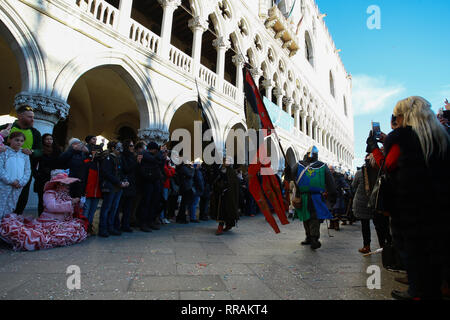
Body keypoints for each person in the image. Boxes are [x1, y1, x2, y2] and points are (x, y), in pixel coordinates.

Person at [366, 96, 450, 300]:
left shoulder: (402, 138)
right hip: (438, 207)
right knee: (436, 254)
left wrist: (375, 148)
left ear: (405, 116)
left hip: (411, 209)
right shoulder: (439, 136)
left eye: (397, 116)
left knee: (415, 254)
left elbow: (388, 165)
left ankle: (418, 292)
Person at [0, 170, 88, 251]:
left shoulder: (65, 195)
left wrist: (79, 202)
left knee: (76, 229)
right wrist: (70, 202)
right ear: (58, 184)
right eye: (65, 184)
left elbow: (72, 208)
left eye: (67, 184)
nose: (67, 186)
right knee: (38, 237)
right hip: (49, 222)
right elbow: (52, 206)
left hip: (62, 222)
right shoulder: (49, 194)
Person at [285, 146, 337, 250]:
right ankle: (310, 237)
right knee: (307, 217)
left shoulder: (321, 166)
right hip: (304, 196)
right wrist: (287, 170)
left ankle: (313, 238)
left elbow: (330, 182)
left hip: (315, 197)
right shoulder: (302, 165)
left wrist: (332, 193)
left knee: (313, 217)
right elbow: (289, 178)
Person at [0, 105, 42, 214]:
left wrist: (32, 152)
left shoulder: (35, 133)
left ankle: (14, 221)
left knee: (21, 198)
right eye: (29, 117)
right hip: (4, 173)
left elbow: (40, 151)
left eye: (33, 117)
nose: (32, 119)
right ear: (20, 116)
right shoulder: (6, 128)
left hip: (23, 173)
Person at [352, 154, 392, 254]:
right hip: (377, 202)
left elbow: (353, 185)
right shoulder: (381, 172)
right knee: (381, 225)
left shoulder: (360, 172)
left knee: (365, 225)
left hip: (362, 202)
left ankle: (367, 246)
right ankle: (385, 246)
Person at [98, 141, 129, 237]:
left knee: (114, 208)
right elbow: (107, 173)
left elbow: (121, 171)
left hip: (118, 187)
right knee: (106, 208)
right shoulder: (107, 158)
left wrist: (125, 180)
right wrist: (119, 182)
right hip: (110, 187)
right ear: (112, 148)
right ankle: (103, 229)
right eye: (118, 148)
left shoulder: (118, 158)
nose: (121, 150)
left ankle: (110, 227)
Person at [0, 132, 31, 219]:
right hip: (4, 184)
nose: (19, 142)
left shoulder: (24, 155)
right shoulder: (4, 151)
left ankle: (6, 226)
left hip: (18, 185)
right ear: (10, 140)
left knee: (11, 205)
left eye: (21, 141)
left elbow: (27, 170)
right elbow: (0, 169)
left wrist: (21, 182)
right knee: (1, 203)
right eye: (16, 140)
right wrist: (10, 181)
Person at [137, 141, 164, 231]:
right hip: (147, 181)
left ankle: (150, 221)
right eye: (156, 150)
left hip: (155, 181)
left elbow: (160, 164)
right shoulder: (145, 154)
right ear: (153, 149)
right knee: (146, 202)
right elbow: (154, 160)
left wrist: (163, 157)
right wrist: (160, 153)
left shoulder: (155, 156)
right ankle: (143, 223)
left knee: (154, 202)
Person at [210, 157, 240, 235]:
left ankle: (228, 225)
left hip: (229, 196)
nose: (225, 162)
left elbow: (234, 184)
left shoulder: (232, 172)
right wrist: (219, 187)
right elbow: (216, 180)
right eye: (225, 161)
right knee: (221, 212)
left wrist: (227, 187)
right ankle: (220, 227)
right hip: (222, 196)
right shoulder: (221, 170)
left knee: (229, 211)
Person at [34, 134, 62, 215]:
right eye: (47, 139)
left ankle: (49, 218)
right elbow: (34, 165)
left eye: (51, 139)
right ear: (43, 140)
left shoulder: (57, 151)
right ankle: (41, 217)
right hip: (42, 179)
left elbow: (61, 163)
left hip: (54, 178)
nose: (49, 141)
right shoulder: (40, 151)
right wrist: (37, 175)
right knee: (41, 199)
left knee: (52, 200)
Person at [116, 139, 138, 232]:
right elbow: (126, 169)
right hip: (125, 184)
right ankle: (117, 225)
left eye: (133, 146)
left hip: (132, 184)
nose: (133, 148)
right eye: (131, 146)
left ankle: (126, 224)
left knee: (128, 206)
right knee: (119, 206)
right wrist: (136, 162)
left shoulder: (132, 156)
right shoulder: (123, 157)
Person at [176, 160, 195, 224]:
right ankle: (181, 218)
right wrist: (192, 168)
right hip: (185, 188)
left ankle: (181, 217)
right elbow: (190, 175)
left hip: (186, 187)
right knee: (184, 204)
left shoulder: (186, 168)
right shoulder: (184, 168)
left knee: (184, 204)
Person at [160, 148, 176, 224]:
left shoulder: (167, 162)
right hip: (163, 184)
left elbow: (172, 171)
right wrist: (171, 169)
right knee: (163, 201)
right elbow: (169, 172)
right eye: (165, 152)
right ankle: (161, 217)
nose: (166, 153)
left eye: (167, 152)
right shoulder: (163, 162)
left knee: (165, 201)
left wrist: (171, 169)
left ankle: (163, 216)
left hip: (167, 184)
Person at [189, 158, 205, 223]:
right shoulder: (197, 171)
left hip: (195, 189)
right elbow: (199, 181)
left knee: (193, 203)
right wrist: (201, 188)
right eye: (200, 164)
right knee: (194, 204)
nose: (200, 165)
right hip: (196, 189)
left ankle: (192, 216)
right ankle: (193, 217)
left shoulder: (194, 170)